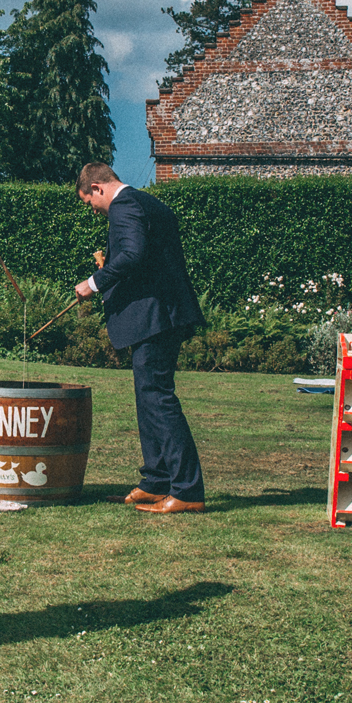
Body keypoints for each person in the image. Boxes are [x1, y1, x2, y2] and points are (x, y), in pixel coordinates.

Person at [73, 162, 207, 513]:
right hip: (163, 313)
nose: (94, 209)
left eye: (89, 202)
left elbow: (132, 253)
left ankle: (188, 490)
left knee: (158, 398)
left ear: (98, 188)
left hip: (156, 317)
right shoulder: (152, 204)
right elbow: (148, 259)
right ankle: (156, 482)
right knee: (148, 396)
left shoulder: (124, 205)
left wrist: (94, 282)